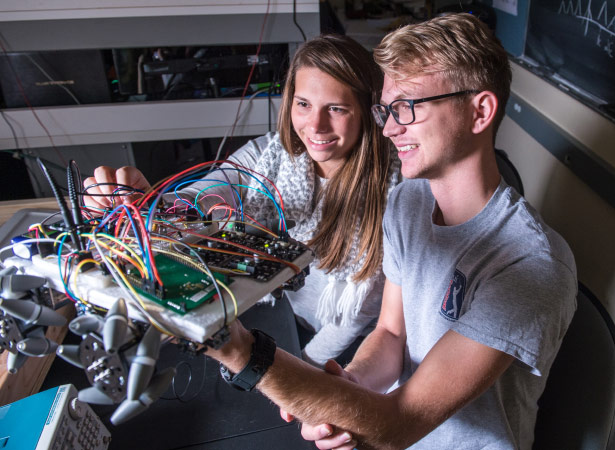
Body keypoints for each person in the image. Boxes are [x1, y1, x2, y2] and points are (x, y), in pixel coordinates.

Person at [201, 13, 578, 450]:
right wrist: (352, 385)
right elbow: (391, 335)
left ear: (480, 111)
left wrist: (237, 350)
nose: (388, 127)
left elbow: (400, 422)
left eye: (408, 108)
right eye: (387, 109)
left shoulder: (528, 265)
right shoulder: (409, 202)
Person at [83, 34, 402, 367]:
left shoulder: (396, 186)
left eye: (336, 109)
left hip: (360, 349)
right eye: (304, 104)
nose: (316, 125)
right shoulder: (270, 154)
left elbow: (358, 314)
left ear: (368, 111)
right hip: (286, 317)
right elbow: (210, 191)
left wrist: (300, 368)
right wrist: (154, 206)